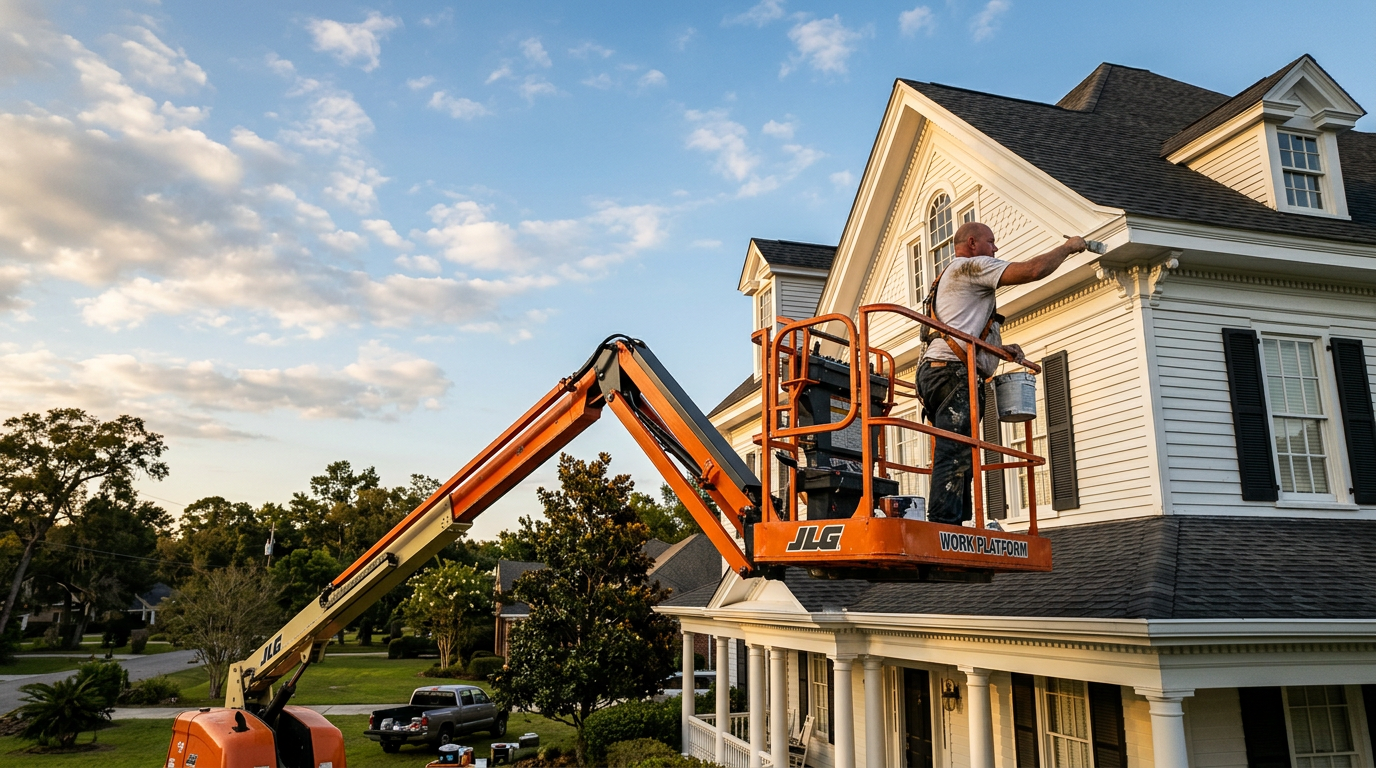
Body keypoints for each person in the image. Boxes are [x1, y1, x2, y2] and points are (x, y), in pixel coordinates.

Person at [918, 222, 1087, 525]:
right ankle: (944, 526)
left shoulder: (949, 278)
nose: (996, 249)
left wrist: (999, 350)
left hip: (939, 372)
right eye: (991, 242)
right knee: (955, 449)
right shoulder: (972, 266)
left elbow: (961, 330)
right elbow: (1033, 271)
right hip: (952, 373)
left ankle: (957, 522)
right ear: (972, 243)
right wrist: (1068, 247)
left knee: (962, 451)